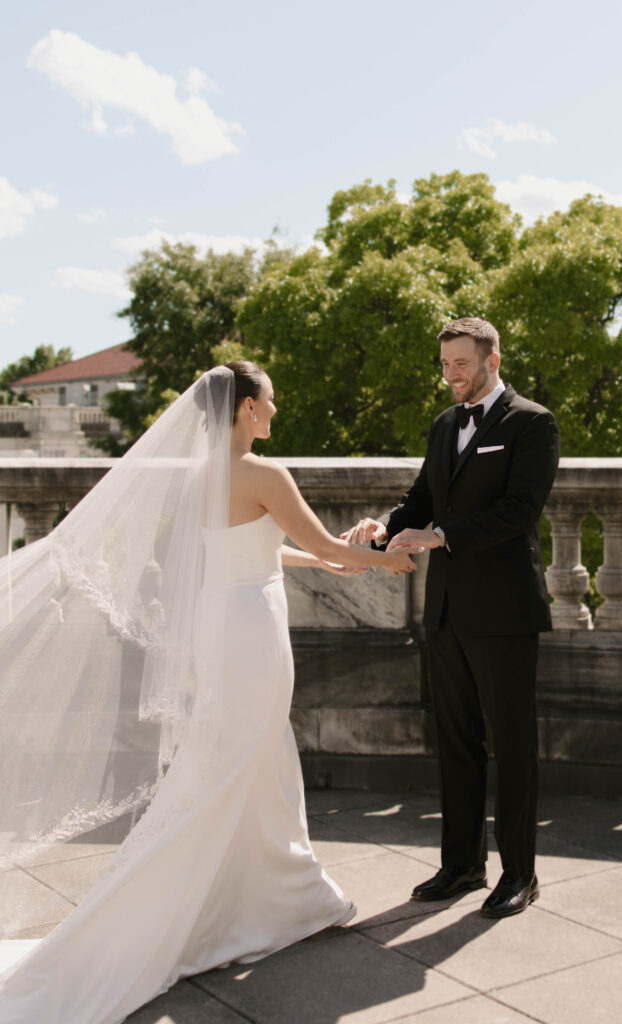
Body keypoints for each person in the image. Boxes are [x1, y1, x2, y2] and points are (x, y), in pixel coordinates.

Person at [0, 362, 418, 1023]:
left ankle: (281, 896)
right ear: (246, 408)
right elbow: (303, 538)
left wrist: (337, 557)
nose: (275, 413)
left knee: (243, 753)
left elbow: (271, 546)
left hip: (221, 624)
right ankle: (271, 897)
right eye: (270, 403)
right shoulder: (265, 474)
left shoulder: (197, 477)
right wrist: (385, 559)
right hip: (252, 628)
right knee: (249, 753)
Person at [343, 317, 560, 918]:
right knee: (456, 741)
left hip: (506, 610)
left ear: (492, 359)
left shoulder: (532, 422)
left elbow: (520, 512)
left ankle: (521, 873)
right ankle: (462, 866)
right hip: (444, 611)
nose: (450, 375)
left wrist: (439, 535)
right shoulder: (445, 425)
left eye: (460, 364)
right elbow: (422, 496)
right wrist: (386, 526)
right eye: (444, 365)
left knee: (513, 744)